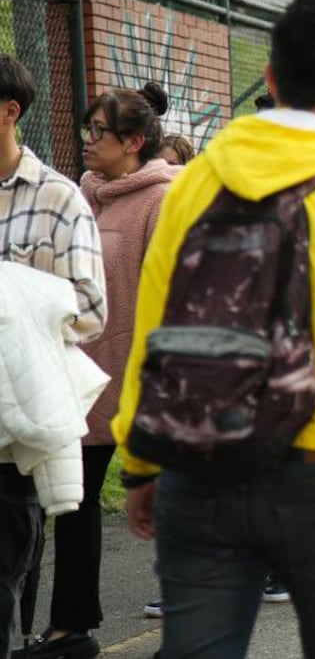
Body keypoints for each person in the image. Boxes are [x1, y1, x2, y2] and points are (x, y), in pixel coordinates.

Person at [110, 0, 315, 657]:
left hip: (199, 470)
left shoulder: (196, 182)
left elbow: (156, 330)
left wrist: (141, 461)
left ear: (270, 79)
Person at [16, 85, 179, 656]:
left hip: (146, 381)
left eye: (99, 134)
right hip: (82, 378)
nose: (87, 142)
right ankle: (70, 627)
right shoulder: (82, 196)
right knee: (74, 504)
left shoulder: (164, 199)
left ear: (134, 142)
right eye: (86, 130)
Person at [0, 55, 106, 659]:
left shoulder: (58, 199)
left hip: (17, 431)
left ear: (10, 111)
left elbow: (91, 312)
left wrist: (14, 299)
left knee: (5, 583)